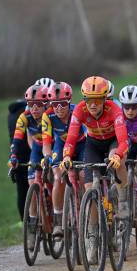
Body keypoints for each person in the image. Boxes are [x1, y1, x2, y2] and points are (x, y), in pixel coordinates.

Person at [60, 76, 129, 264]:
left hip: (112, 142)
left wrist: (117, 155)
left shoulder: (114, 109)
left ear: (105, 99)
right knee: (90, 188)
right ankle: (93, 238)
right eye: (89, 100)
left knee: (118, 159)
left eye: (97, 100)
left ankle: (123, 201)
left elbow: (123, 140)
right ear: (84, 100)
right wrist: (66, 156)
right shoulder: (80, 110)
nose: (93, 104)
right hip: (93, 144)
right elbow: (72, 138)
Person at [41, 82, 85, 239]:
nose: (58, 108)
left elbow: (89, 134)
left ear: (69, 101)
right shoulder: (48, 115)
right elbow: (46, 144)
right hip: (60, 145)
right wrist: (47, 157)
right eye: (55, 104)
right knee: (58, 177)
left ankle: (87, 205)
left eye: (63, 104)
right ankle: (58, 221)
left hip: (81, 144)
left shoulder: (78, 111)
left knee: (83, 176)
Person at [8, 84, 49, 251]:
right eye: (31, 104)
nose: (34, 109)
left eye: (38, 104)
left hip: (52, 147)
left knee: (56, 174)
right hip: (37, 149)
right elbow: (17, 139)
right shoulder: (24, 117)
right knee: (32, 183)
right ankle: (32, 227)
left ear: (45, 104)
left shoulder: (50, 115)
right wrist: (14, 156)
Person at [8, 98, 30, 220]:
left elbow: (15, 139)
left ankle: (25, 222)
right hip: (29, 154)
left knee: (22, 191)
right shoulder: (25, 115)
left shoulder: (11, 114)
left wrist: (12, 156)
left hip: (16, 156)